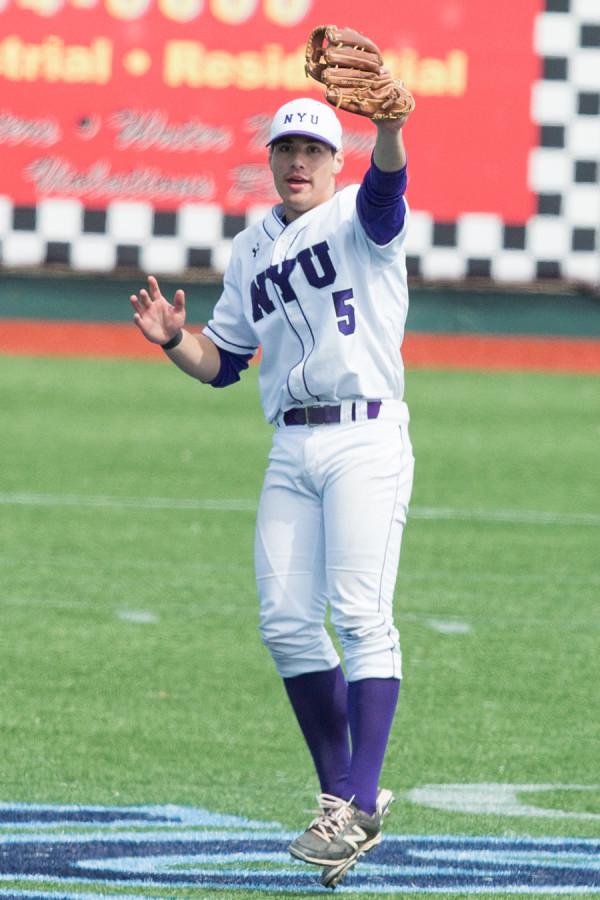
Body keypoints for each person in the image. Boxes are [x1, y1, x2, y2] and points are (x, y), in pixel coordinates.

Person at [129, 93, 415, 888]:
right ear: (270, 160)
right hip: (292, 442)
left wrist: (388, 130)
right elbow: (223, 361)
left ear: (334, 162)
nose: (298, 162)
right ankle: (338, 798)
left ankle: (362, 804)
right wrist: (173, 342)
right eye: (286, 149)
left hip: (363, 434)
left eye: (314, 151)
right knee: (287, 622)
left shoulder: (361, 217)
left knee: (360, 614)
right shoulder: (252, 246)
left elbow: (388, 190)